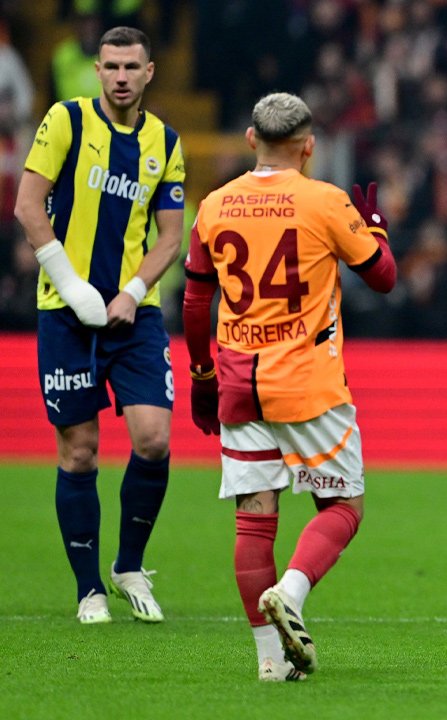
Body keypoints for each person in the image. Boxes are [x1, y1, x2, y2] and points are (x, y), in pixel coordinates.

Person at [181, 92, 397, 682]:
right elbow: (383, 278)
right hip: (308, 383)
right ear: (309, 146)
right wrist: (376, 231)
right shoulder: (325, 201)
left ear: (251, 139)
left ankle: (271, 662)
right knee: (343, 506)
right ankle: (292, 593)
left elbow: (196, 300)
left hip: (239, 382)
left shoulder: (215, 204)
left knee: (254, 517)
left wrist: (201, 375)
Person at [14, 26, 185, 625]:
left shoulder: (166, 141)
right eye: (110, 66)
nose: (120, 77)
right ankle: (89, 590)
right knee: (80, 451)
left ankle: (128, 566)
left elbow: (170, 237)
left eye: (130, 67)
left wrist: (132, 291)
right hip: (66, 314)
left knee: (154, 440)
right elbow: (27, 205)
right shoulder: (66, 120)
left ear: (148, 72)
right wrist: (72, 286)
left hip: (135, 317)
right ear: (97, 69)